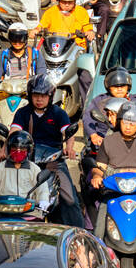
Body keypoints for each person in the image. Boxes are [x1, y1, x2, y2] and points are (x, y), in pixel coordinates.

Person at [11, 73, 83, 228]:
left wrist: (69, 148)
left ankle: (79, 235)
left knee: (69, 198)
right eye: (36, 95)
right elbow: (14, 131)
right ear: (30, 95)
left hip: (54, 161)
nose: (39, 99)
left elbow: (68, 132)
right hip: (27, 161)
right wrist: (6, 148)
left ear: (51, 96)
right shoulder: (22, 113)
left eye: (43, 96)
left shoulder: (59, 113)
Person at [0, 129, 50, 212]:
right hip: (4, 209)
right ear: (9, 149)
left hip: (27, 210)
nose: (18, 152)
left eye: (22, 149)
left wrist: (44, 200)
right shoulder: (1, 167)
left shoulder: (34, 168)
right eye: (14, 148)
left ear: (28, 150)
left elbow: (42, 189)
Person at [84, 68, 136, 148]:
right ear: (108, 87)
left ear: (128, 86)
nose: (119, 89)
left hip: (132, 142)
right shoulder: (99, 100)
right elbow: (87, 119)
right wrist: (94, 135)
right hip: (104, 141)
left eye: (123, 86)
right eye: (115, 86)